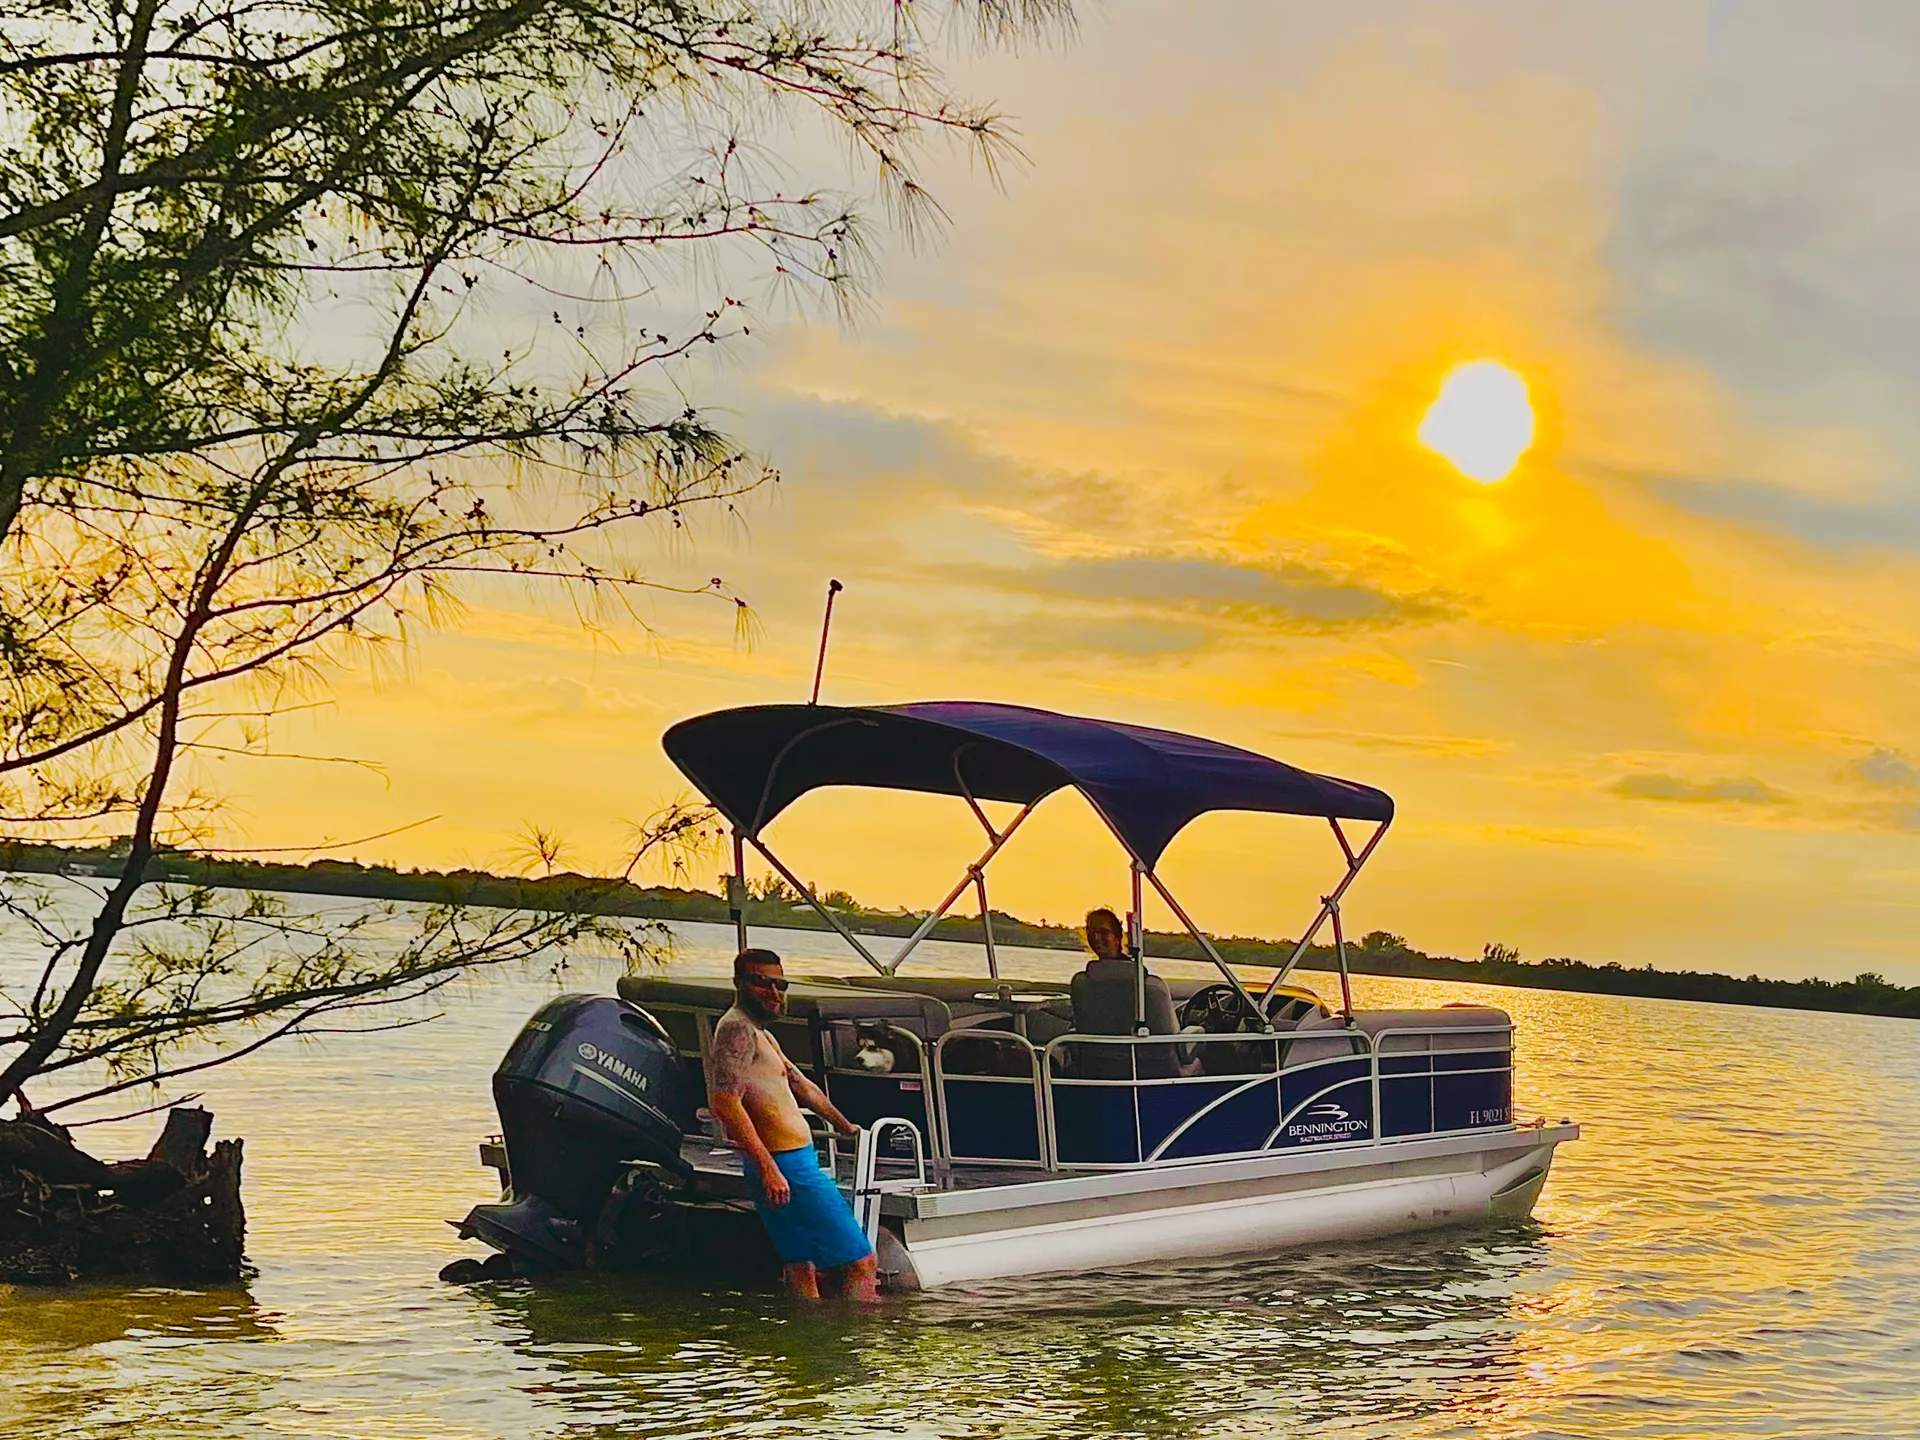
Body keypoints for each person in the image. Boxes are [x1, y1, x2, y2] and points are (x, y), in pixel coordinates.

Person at [705, 948, 879, 1300]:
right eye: (761, 983)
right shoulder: (737, 1029)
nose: (773, 993)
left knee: (802, 1270)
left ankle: (809, 1345)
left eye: (779, 984)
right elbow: (724, 1100)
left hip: (790, 1163)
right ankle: (861, 1348)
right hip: (786, 1167)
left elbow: (799, 1083)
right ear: (739, 983)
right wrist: (769, 1168)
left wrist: (845, 1126)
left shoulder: (759, 1031)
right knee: (862, 1262)